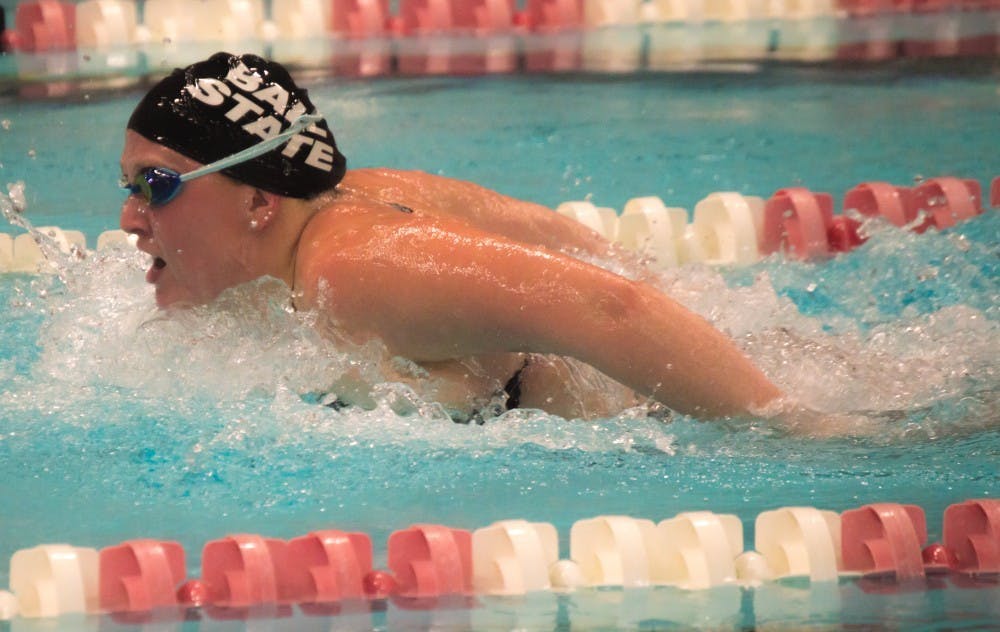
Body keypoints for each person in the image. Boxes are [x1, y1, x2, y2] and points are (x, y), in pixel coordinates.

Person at [119, 52, 790, 424]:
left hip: (666, 414)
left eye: (156, 186)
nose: (129, 219)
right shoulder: (349, 201)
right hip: (751, 354)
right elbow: (540, 229)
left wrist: (788, 428)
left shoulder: (354, 270)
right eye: (130, 188)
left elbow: (612, 308)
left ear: (259, 201)